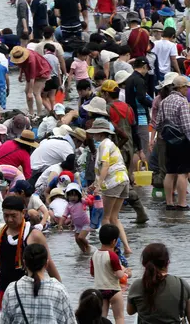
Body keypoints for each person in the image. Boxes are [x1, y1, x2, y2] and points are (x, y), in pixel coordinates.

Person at [0, 196, 61, 306]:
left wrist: (59, 286)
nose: (10, 219)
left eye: (13, 215)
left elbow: (48, 263)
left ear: (23, 213)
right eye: (6, 215)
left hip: (30, 290)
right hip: (5, 290)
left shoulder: (34, 235)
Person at [86, 118, 132, 255]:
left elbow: (105, 165)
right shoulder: (111, 144)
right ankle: (127, 248)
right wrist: (94, 184)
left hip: (113, 182)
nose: (93, 136)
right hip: (123, 180)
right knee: (114, 218)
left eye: (94, 133)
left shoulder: (104, 145)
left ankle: (106, 247)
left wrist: (99, 185)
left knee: (105, 218)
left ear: (100, 133)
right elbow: (105, 168)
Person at [0, 244, 75, 324]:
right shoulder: (59, 289)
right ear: (46, 264)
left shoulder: (12, 290)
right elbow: (70, 321)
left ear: (24, 263)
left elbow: (4, 321)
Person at [127, 243, 190, 322]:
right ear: (167, 262)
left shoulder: (136, 285)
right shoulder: (182, 284)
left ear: (144, 263)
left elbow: (130, 311)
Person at [154, 75, 190, 210]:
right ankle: (182, 203)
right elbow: (187, 126)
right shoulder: (182, 102)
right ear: (180, 87)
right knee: (183, 173)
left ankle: (169, 202)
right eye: (186, 87)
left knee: (170, 172)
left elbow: (158, 124)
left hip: (169, 141)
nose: (187, 89)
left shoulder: (164, 101)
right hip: (182, 141)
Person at [91, 224, 131, 324]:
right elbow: (119, 275)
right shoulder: (112, 255)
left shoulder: (94, 254)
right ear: (114, 241)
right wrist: (126, 273)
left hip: (100, 291)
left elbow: (92, 273)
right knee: (119, 317)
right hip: (113, 290)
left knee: (101, 318)